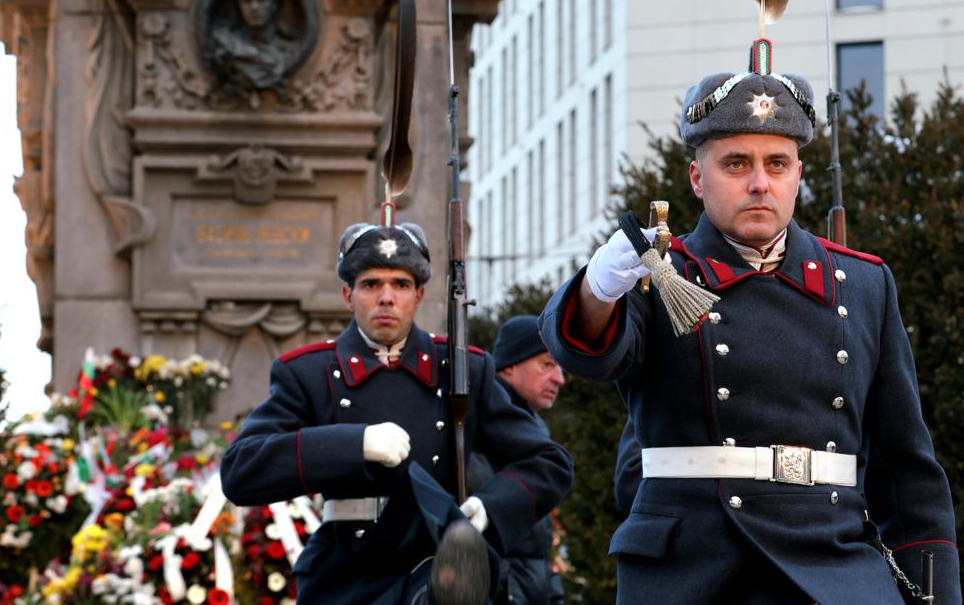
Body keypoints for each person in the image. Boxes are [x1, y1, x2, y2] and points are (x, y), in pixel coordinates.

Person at [539, 58, 961, 604]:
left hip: (833, 565)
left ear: (799, 176)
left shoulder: (862, 283)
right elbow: (589, 352)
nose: (760, 183)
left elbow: (907, 471)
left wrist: (935, 593)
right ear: (697, 176)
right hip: (695, 569)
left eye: (777, 164)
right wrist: (599, 288)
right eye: (736, 163)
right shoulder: (662, 274)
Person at [221, 222, 574, 605]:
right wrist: (354, 444)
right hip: (345, 572)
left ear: (418, 297)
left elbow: (548, 461)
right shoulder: (308, 372)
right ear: (347, 295)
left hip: (437, 568)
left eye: (401, 285)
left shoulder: (464, 369)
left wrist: (488, 507)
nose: (386, 297)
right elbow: (241, 468)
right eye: (371, 284)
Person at [466, 315, 566, 605]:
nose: (559, 378)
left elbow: (535, 547)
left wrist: (551, 592)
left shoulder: (531, 429)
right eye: (547, 364)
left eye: (560, 366)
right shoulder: (480, 429)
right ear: (508, 365)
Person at [209, 0, 298, 90]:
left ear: (274, 5)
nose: (254, 7)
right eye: (247, 1)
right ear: (239, 5)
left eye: (261, 0)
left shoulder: (290, 48)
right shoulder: (227, 43)